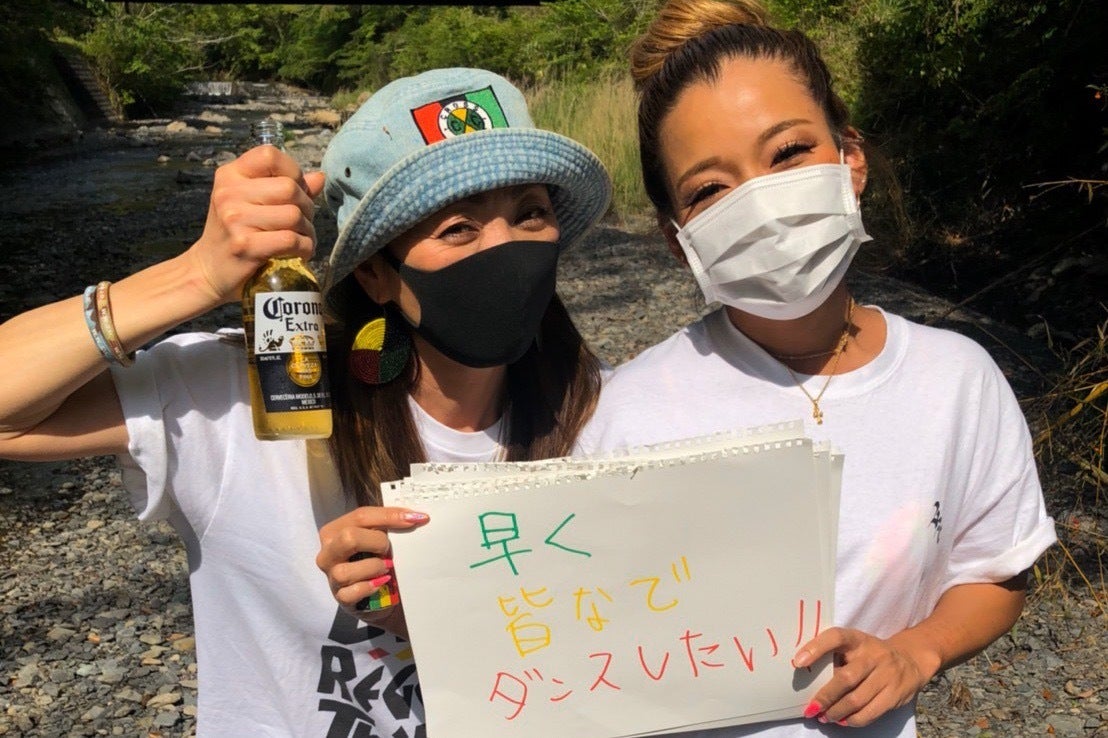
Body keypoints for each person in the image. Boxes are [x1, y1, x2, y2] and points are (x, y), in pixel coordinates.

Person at [0, 67, 611, 737]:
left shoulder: (602, 414)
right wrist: (195, 275)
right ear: (375, 273)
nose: (507, 248)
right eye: (459, 227)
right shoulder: (250, 400)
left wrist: (434, 615)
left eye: (530, 213)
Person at [577, 1, 1057, 735]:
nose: (760, 202)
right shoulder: (623, 412)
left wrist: (917, 652)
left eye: (788, 152)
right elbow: (567, 623)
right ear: (680, 240)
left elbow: (995, 569)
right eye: (710, 189)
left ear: (849, 159)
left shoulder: (958, 381)